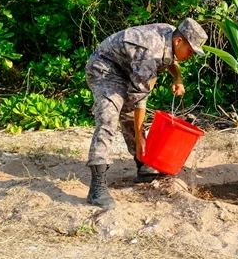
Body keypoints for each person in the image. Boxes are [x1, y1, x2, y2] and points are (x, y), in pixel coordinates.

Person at [85, 18, 208, 209]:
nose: (190, 55)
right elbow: (139, 98)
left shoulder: (170, 33)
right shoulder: (151, 52)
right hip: (105, 68)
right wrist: (140, 136)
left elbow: (168, 60)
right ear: (179, 41)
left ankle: (142, 164)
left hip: (127, 70)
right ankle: (97, 186)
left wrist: (178, 78)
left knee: (129, 115)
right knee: (109, 116)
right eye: (190, 50)